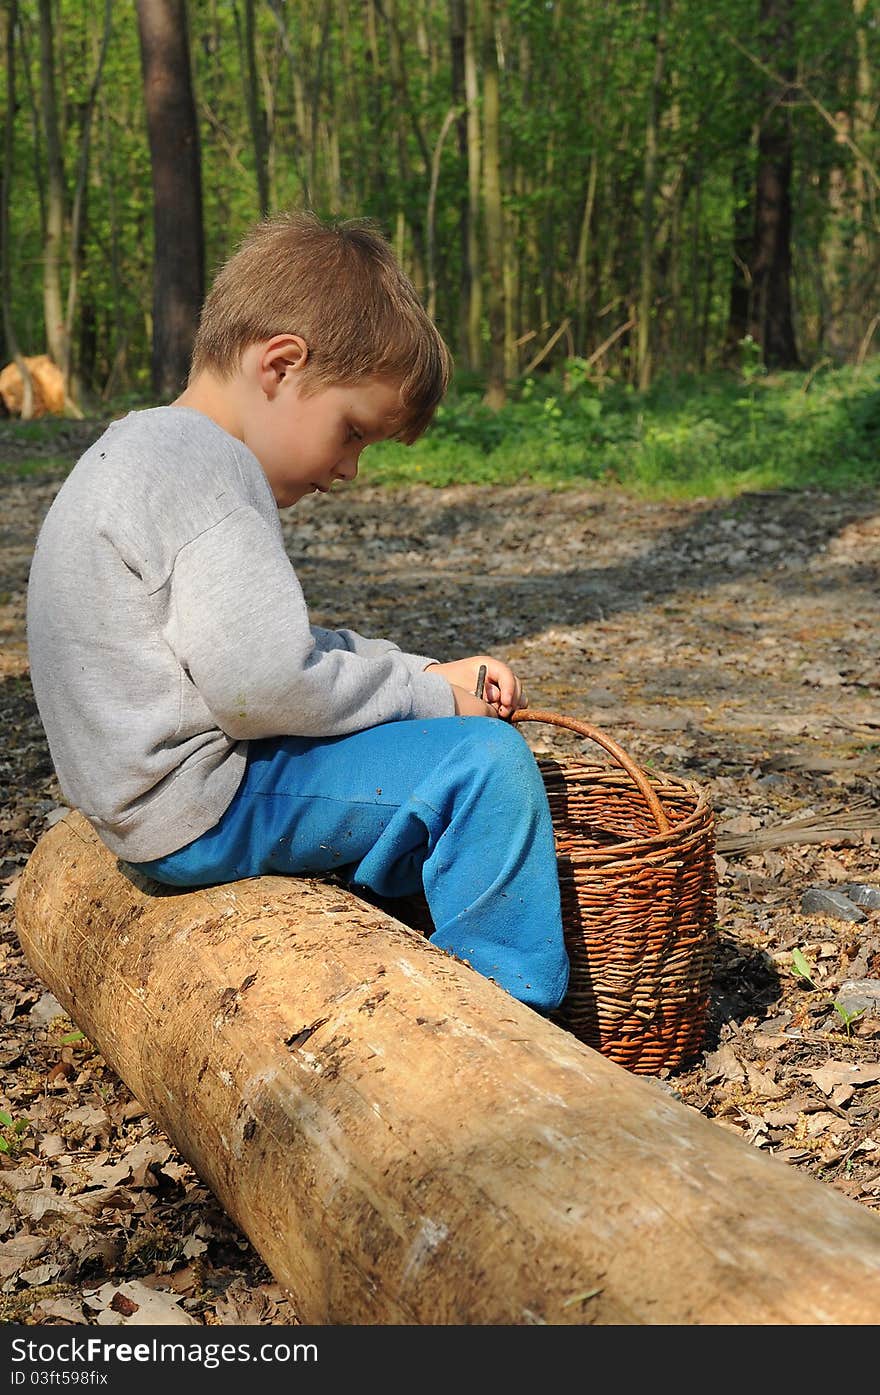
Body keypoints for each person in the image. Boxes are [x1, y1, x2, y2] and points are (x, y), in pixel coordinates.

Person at [26, 211, 569, 1013]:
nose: (349, 468)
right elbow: (268, 684)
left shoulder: (139, 451)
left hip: (145, 806)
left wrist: (423, 673)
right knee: (483, 765)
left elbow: (262, 655)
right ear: (280, 364)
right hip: (201, 807)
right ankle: (510, 1015)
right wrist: (431, 700)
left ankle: (402, 922)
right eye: (352, 432)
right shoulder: (206, 470)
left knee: (408, 736)